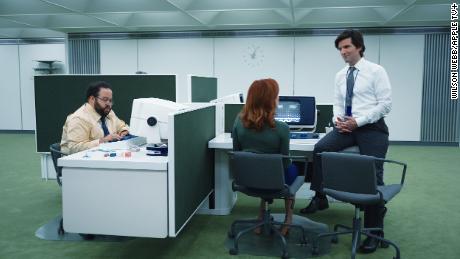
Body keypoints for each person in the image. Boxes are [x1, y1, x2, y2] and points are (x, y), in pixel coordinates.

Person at [299, 29, 392, 253]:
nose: (343, 52)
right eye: (340, 49)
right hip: (346, 126)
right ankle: (320, 196)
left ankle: (374, 232)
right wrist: (337, 120)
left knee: (372, 174)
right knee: (320, 149)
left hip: (371, 127)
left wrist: (358, 122)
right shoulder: (340, 75)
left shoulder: (376, 71)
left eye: (347, 47)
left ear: (359, 47)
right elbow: (337, 103)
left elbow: (385, 105)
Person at [232, 78, 298, 236]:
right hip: (275, 180)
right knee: (292, 168)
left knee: (263, 169)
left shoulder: (238, 122)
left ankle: (261, 217)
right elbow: (285, 162)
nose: (278, 98)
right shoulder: (282, 128)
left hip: (248, 179)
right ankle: (288, 219)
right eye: (277, 95)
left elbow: (237, 153)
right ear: (270, 100)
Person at [60, 81, 129, 154]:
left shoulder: (108, 113)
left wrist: (123, 131)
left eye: (110, 100)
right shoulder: (79, 118)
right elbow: (74, 148)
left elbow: (121, 125)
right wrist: (103, 141)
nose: (108, 104)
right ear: (92, 99)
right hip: (79, 162)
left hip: (104, 156)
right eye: (105, 99)